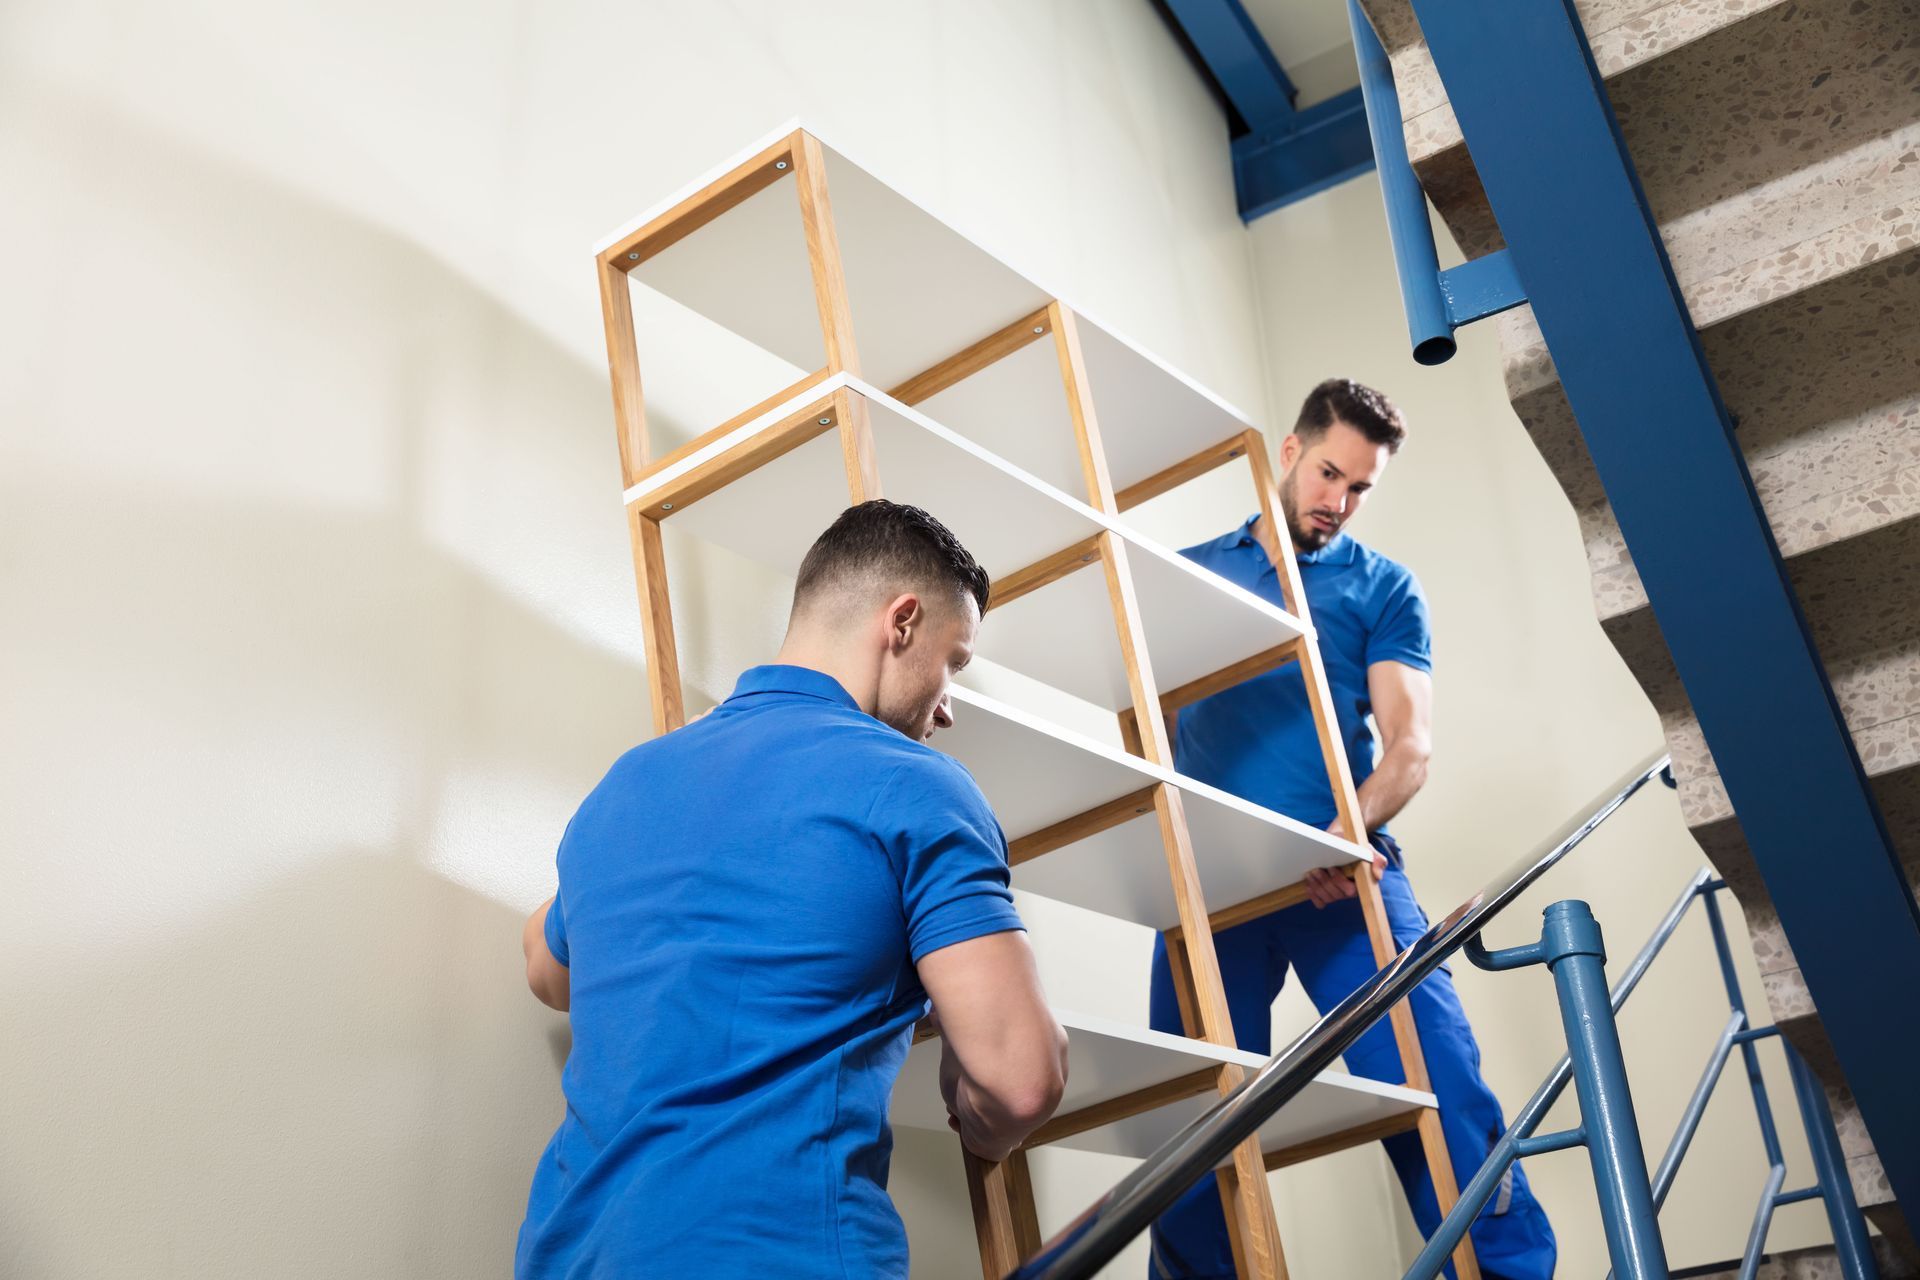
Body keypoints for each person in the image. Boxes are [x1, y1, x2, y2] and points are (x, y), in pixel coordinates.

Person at [516, 499, 1069, 1279]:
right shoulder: (916, 789)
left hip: (574, 1256)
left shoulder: (630, 782)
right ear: (902, 622)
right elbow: (1021, 1081)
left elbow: (546, 967)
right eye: (954, 665)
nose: (946, 708)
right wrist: (977, 1117)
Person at [1146, 380, 1555, 1280]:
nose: (1339, 501)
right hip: (1211, 890)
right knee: (1191, 1130)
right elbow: (1148, 728)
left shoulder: (1384, 590)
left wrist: (1339, 834)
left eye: (1361, 487)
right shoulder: (1185, 574)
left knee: (1440, 1082)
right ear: (1288, 453)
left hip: (1340, 876)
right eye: (1330, 473)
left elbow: (1409, 748)